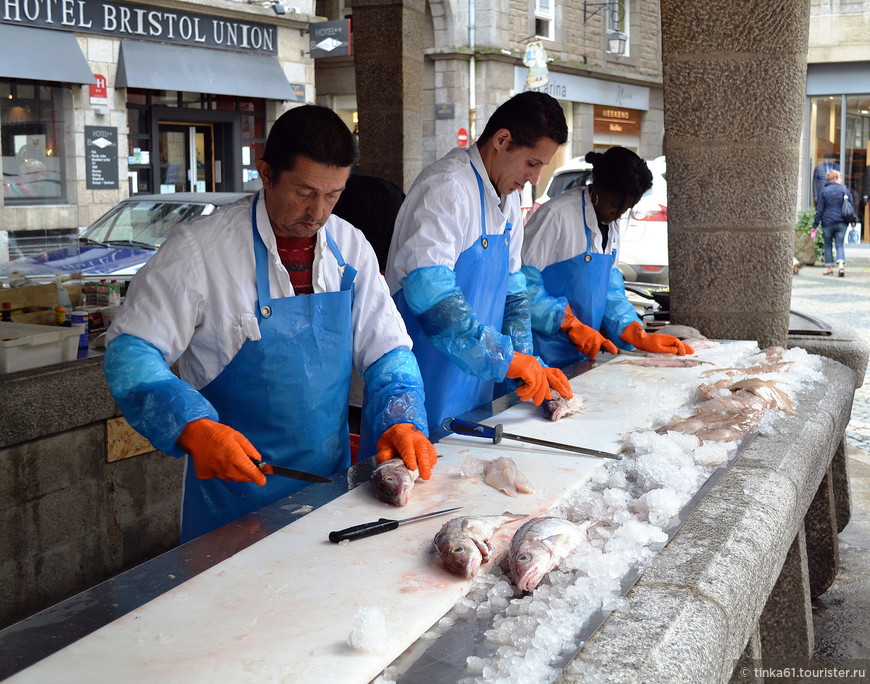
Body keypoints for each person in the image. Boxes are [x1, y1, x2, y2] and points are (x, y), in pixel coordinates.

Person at [103, 105, 436, 542]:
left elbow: (389, 349)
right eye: (304, 191)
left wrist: (402, 414)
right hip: (233, 502)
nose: (318, 212)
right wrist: (190, 425)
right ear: (265, 172)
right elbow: (132, 353)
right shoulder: (199, 251)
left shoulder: (350, 246)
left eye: (333, 195)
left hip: (328, 493)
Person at [385, 91, 573, 436]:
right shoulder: (447, 187)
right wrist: (507, 360)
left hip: (474, 391)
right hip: (421, 389)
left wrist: (528, 365)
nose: (534, 178)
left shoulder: (509, 201)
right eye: (532, 163)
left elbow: (515, 297)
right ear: (502, 140)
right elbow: (433, 298)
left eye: (541, 167)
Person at [522, 147, 693, 368]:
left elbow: (610, 291)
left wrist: (636, 334)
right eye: (615, 205)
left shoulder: (611, 224)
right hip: (539, 356)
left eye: (627, 208)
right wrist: (569, 324)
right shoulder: (555, 215)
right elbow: (522, 286)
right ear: (599, 188)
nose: (619, 214)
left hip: (582, 355)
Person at [813, 168, 855, 277]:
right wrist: (853, 220)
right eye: (840, 178)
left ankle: (830, 268)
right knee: (839, 244)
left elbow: (820, 209)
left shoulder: (824, 191)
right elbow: (851, 206)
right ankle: (841, 266)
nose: (841, 180)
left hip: (827, 223)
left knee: (827, 245)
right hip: (841, 222)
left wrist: (815, 225)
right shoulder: (844, 190)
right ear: (835, 178)